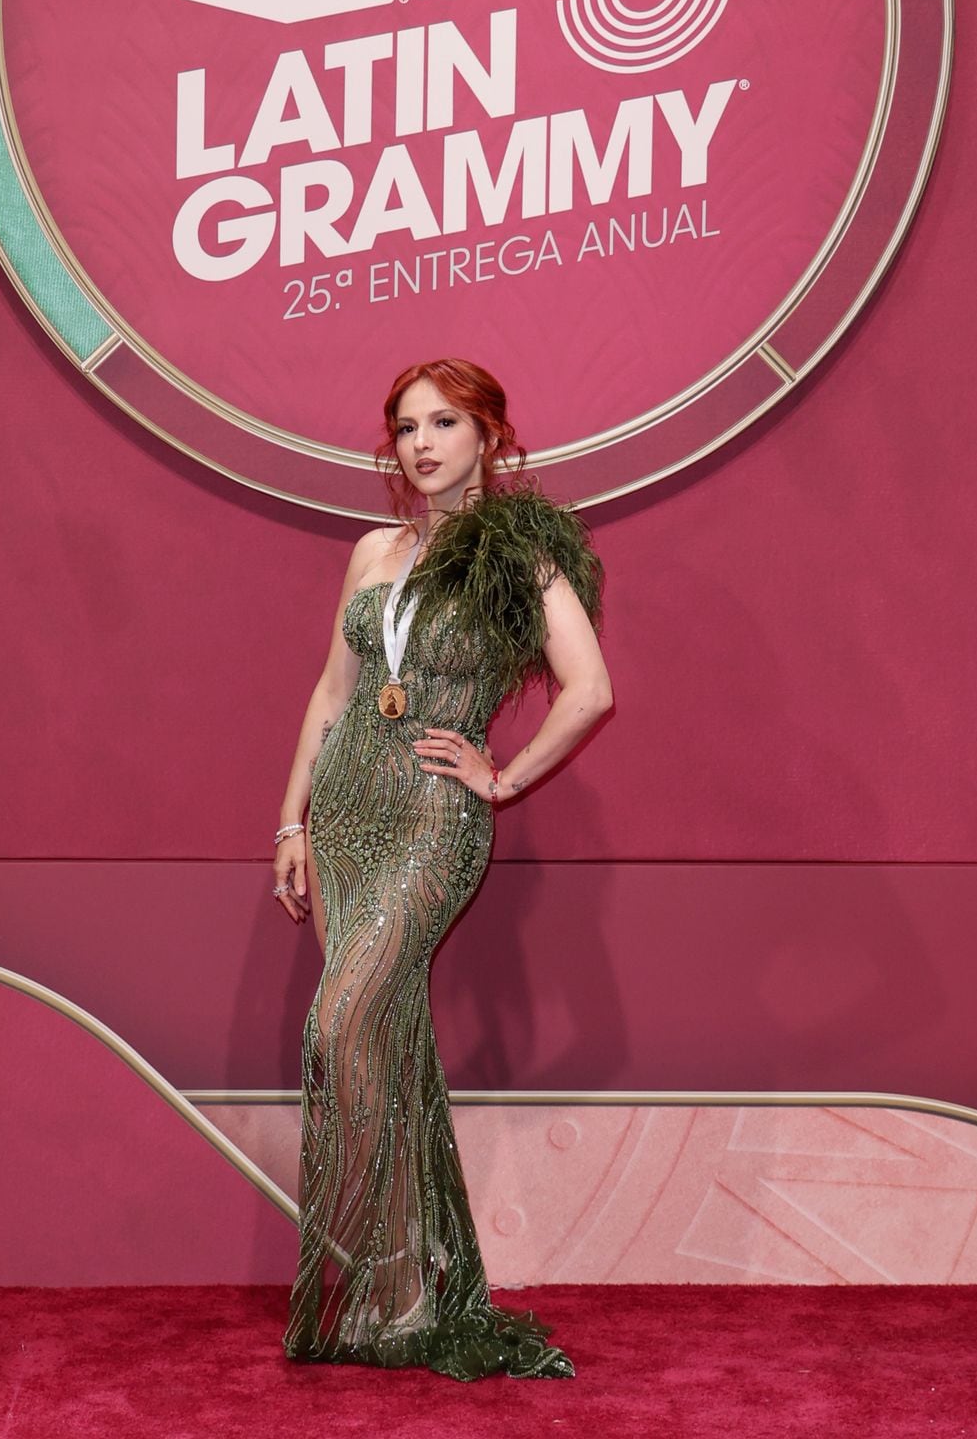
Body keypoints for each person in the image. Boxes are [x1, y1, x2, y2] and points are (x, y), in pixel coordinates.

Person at [274, 358, 611, 1381]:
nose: (422, 444)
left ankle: (403, 1289)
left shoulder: (521, 558)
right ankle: (391, 1293)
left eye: (445, 424)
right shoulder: (372, 550)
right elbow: (331, 694)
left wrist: (499, 780)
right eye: (407, 427)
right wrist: (288, 820)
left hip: (429, 815)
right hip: (342, 809)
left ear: (492, 441)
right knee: (373, 1047)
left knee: (339, 1023)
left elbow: (590, 689)